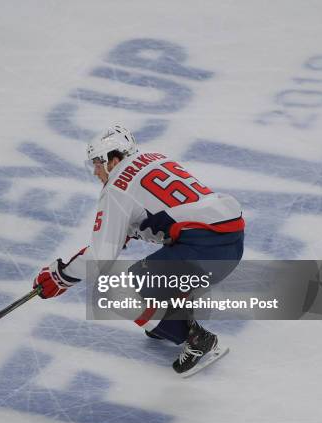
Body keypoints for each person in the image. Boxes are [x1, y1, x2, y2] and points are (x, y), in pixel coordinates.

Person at [33, 125, 245, 375]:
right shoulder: (155, 158)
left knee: (116, 292)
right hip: (231, 242)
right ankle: (169, 321)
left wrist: (61, 276)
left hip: (203, 249)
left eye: (97, 164)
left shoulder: (116, 188)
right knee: (159, 273)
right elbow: (157, 217)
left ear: (113, 159)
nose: (95, 172)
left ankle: (195, 339)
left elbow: (101, 258)